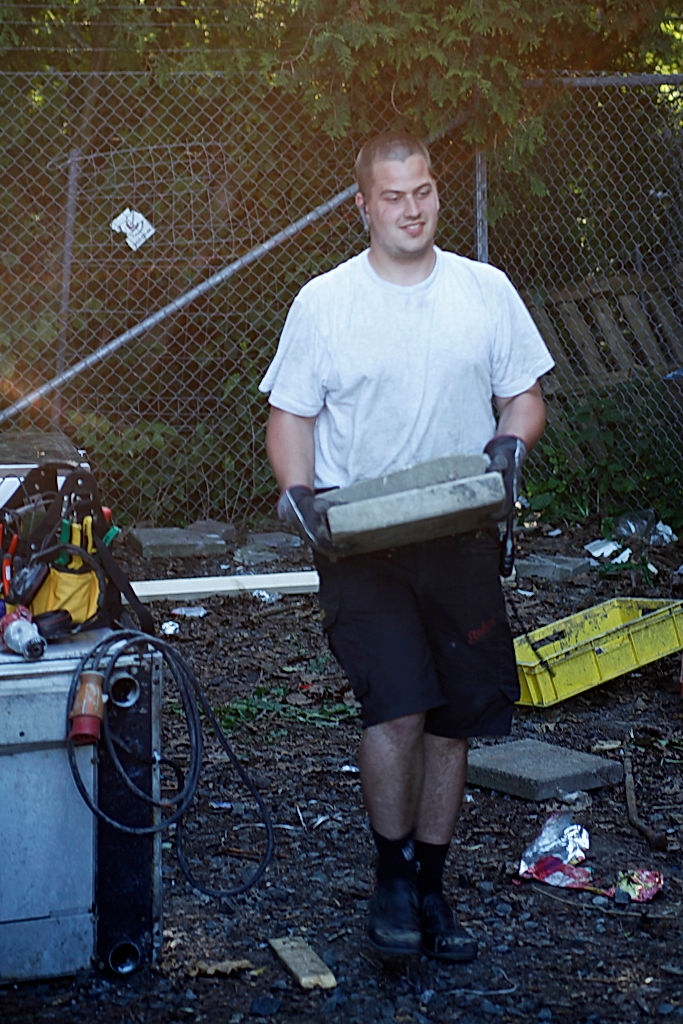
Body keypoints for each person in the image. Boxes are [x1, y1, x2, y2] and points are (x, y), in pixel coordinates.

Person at [259, 132, 554, 961]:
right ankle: (389, 877)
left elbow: (522, 397)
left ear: (434, 194)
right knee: (395, 709)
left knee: (453, 722)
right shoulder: (325, 302)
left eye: (422, 191)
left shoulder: (483, 290)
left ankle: (431, 884)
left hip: (459, 532)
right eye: (392, 196)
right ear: (362, 206)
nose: (411, 208)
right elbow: (290, 417)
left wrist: (510, 447)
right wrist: (298, 493)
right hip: (362, 543)